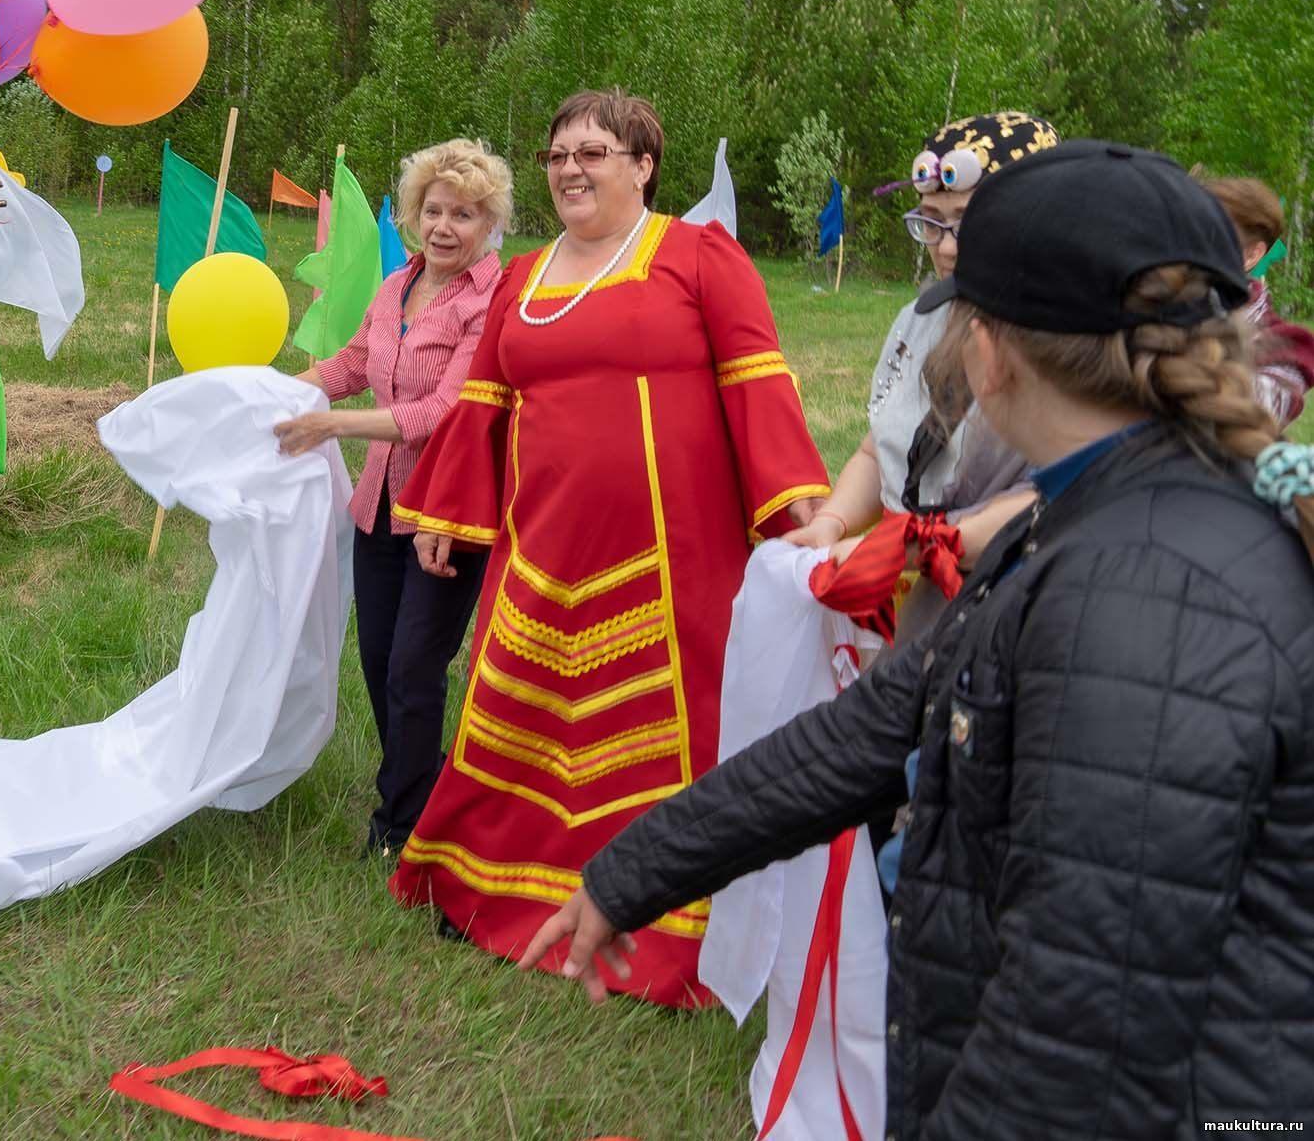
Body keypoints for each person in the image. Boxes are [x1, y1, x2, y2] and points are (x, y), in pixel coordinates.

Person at [526, 140, 1314, 1138]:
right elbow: (870, 730)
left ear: (987, 352)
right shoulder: (1098, 518)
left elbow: (1070, 1047)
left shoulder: (1143, 598)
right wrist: (634, 870)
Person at [387, 88, 830, 1007]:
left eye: (593, 151)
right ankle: (487, 896)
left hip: (674, 563)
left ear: (642, 165)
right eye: (556, 156)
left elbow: (759, 388)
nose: (571, 169)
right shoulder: (522, 278)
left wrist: (806, 525)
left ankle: (665, 936)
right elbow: (485, 403)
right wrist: (444, 512)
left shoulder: (701, 257)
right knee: (521, 718)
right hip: (541, 548)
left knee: (668, 742)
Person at [273, 139, 512, 860]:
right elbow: (354, 362)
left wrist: (332, 426)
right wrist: (279, 389)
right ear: (412, 215)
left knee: (414, 665)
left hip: (448, 512)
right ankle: (425, 788)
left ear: (489, 224)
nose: (444, 227)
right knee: (378, 662)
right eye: (433, 210)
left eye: (463, 214)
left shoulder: (490, 302)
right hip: (378, 507)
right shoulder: (396, 286)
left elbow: (446, 410)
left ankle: (403, 827)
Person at [787, 114, 1058, 633]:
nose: (948, 246)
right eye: (932, 221)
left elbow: (1060, 494)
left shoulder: (1064, 337)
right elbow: (880, 447)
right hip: (913, 590)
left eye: (969, 222)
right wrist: (830, 522)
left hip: (1011, 601)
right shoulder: (922, 317)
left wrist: (911, 546)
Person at [1202, 172, 1314, 428]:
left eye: (1211, 235)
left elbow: (1246, 421)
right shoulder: (1152, 303)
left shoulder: (1285, 345)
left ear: (1252, 255)